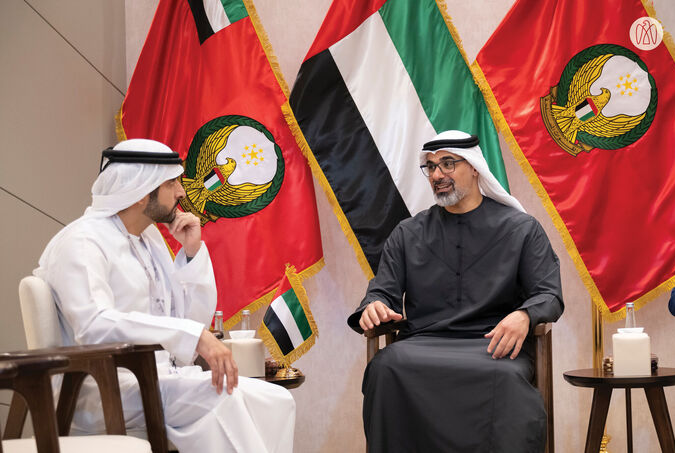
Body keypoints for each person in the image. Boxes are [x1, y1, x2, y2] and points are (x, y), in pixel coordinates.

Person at [34, 139, 295, 453]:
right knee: (225, 399)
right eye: (172, 183)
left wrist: (192, 252)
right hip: (104, 388)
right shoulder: (83, 241)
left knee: (276, 399)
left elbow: (190, 320)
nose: (182, 192)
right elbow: (95, 326)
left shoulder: (149, 240)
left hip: (158, 378)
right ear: (141, 192)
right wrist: (191, 335)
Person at [347, 130, 564, 453]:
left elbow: (549, 294)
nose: (437, 175)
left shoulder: (520, 228)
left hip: (494, 346)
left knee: (506, 378)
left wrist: (524, 315)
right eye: (431, 167)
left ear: (475, 167)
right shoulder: (408, 233)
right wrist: (374, 305)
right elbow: (382, 292)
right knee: (387, 366)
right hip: (423, 342)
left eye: (448, 164)